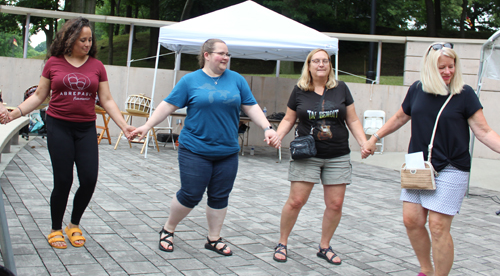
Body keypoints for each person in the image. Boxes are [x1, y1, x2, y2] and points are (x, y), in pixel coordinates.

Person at [129, 38, 279, 256]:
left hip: (227, 151)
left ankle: (213, 238)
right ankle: (168, 229)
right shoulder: (190, 80)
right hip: (195, 149)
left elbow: (250, 105)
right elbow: (168, 105)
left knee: (220, 196)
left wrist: (267, 128)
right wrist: (147, 125)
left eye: (228, 54)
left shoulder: (236, 80)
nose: (226, 58)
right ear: (207, 55)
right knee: (191, 194)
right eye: (221, 53)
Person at [362, 43, 500, 276]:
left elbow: (484, 131)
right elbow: (400, 116)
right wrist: (374, 137)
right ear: (429, 69)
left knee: (437, 226)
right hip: (418, 165)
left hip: (451, 166)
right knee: (411, 220)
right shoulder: (417, 89)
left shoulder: (464, 94)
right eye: (441, 67)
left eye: (451, 66)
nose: (448, 72)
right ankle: (426, 270)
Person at [7, 17, 134, 249]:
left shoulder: (97, 66)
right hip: (59, 126)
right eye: (82, 40)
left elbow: (106, 99)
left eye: (89, 39)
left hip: (85, 128)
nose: (87, 44)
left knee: (89, 179)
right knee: (63, 180)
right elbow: (39, 96)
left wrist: (124, 126)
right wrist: (16, 112)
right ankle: (56, 228)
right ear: (70, 39)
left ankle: (73, 224)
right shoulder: (53, 62)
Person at [271, 48, 367, 264]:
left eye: (325, 61)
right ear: (309, 65)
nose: (321, 64)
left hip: (337, 154)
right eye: (316, 61)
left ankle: (324, 246)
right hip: (307, 154)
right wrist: (278, 136)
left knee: (335, 204)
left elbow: (352, 120)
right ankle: (282, 242)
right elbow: (288, 119)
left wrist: (363, 142)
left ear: (330, 65)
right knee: (296, 201)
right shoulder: (299, 90)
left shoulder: (341, 88)